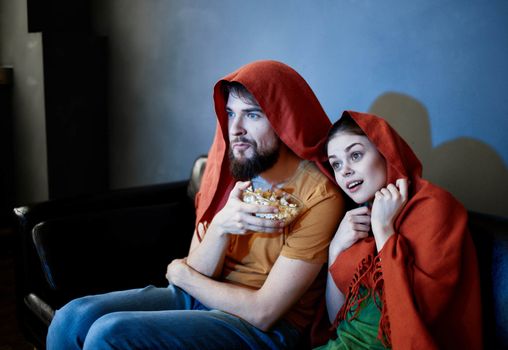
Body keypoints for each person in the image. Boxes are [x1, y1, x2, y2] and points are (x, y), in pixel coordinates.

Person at [46, 60, 345, 349]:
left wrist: (181, 274)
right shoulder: (231, 171)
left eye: (252, 115)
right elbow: (201, 269)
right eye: (230, 114)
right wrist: (220, 227)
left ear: (284, 119)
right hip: (202, 295)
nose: (236, 129)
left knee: (110, 333)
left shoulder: (319, 196)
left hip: (261, 328)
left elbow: (264, 312)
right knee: (72, 317)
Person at [313, 111, 482, 349]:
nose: (345, 171)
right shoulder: (359, 219)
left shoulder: (435, 207)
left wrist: (384, 231)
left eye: (356, 155)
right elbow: (338, 321)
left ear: (386, 152)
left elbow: (414, 317)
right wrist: (335, 249)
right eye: (336, 164)